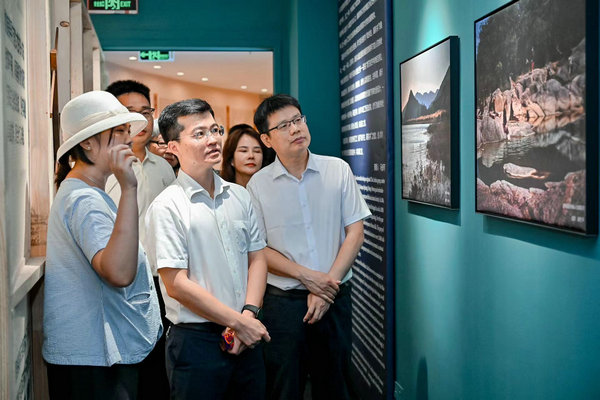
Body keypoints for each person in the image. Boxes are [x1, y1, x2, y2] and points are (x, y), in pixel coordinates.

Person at [246, 94, 371, 400]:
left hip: (336, 297)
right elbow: (259, 249)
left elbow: (355, 232)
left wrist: (327, 286)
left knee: (335, 384)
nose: (295, 129)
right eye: (283, 126)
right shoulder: (257, 186)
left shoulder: (337, 170)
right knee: (284, 387)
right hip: (284, 304)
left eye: (298, 120)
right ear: (267, 139)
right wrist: (308, 277)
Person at [145, 98, 271, 399]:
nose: (213, 139)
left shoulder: (240, 196)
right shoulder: (167, 206)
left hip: (246, 332)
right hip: (196, 342)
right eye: (199, 134)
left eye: (215, 130)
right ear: (173, 147)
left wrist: (249, 315)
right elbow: (176, 284)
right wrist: (237, 322)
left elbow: (257, 258)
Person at [43, 90, 162, 399]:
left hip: (97, 352)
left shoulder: (86, 191)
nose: (128, 139)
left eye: (127, 130)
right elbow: (118, 272)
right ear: (87, 142)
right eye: (119, 131)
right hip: (96, 357)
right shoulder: (84, 199)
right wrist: (129, 187)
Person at [105, 80, 174, 399]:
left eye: (146, 112)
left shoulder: (164, 167)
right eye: (129, 112)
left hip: (162, 281)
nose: (141, 120)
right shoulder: (105, 170)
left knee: (158, 367)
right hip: (120, 283)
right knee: (124, 369)